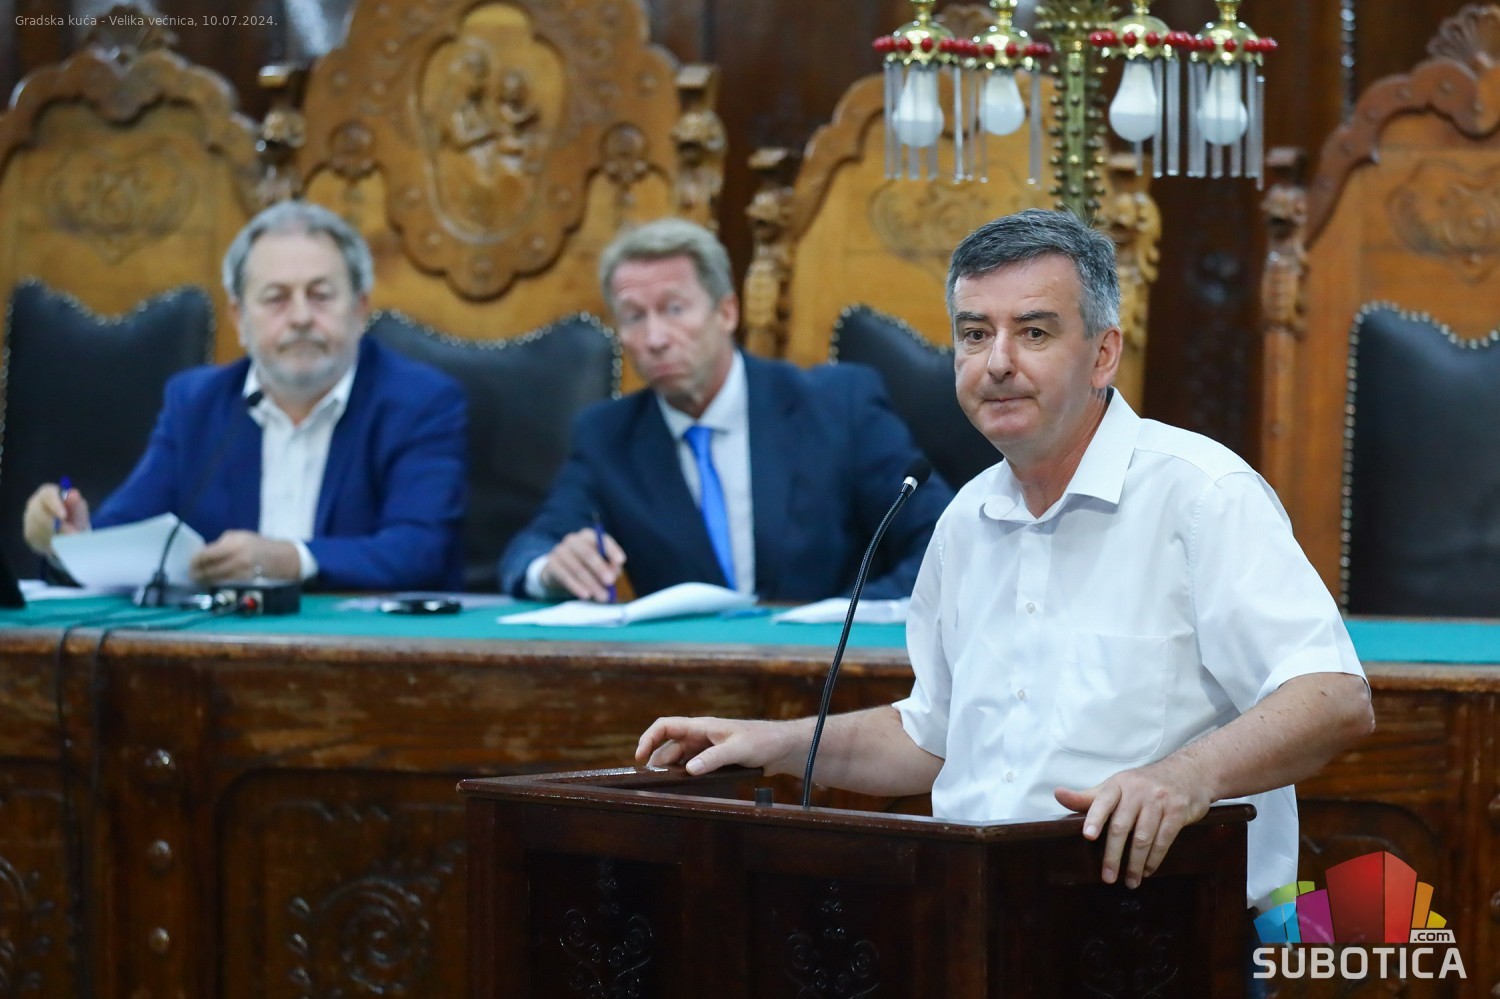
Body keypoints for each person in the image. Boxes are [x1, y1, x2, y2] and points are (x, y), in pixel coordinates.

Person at [636, 208, 1374, 907]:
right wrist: (773, 743)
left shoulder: (1201, 494)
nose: (997, 362)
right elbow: (932, 738)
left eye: (1034, 332)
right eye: (974, 334)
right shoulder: (965, 520)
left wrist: (1185, 777)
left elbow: (1335, 698)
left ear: (1103, 353)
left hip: (1163, 931)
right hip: (975, 920)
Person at [498, 217, 953, 603]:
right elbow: (530, 548)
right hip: (687, 672)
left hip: (832, 664)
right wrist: (550, 569)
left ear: (727, 312)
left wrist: (846, 621)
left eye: (675, 309)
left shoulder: (837, 405)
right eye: (634, 316)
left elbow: (940, 541)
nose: (655, 338)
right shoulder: (607, 435)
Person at [22, 200, 468, 591]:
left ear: (360, 309)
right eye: (276, 298)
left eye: (321, 296)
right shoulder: (197, 403)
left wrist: (292, 560)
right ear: (239, 317)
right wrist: (74, 540)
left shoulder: (420, 402)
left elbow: (422, 550)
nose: (300, 317)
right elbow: (131, 531)